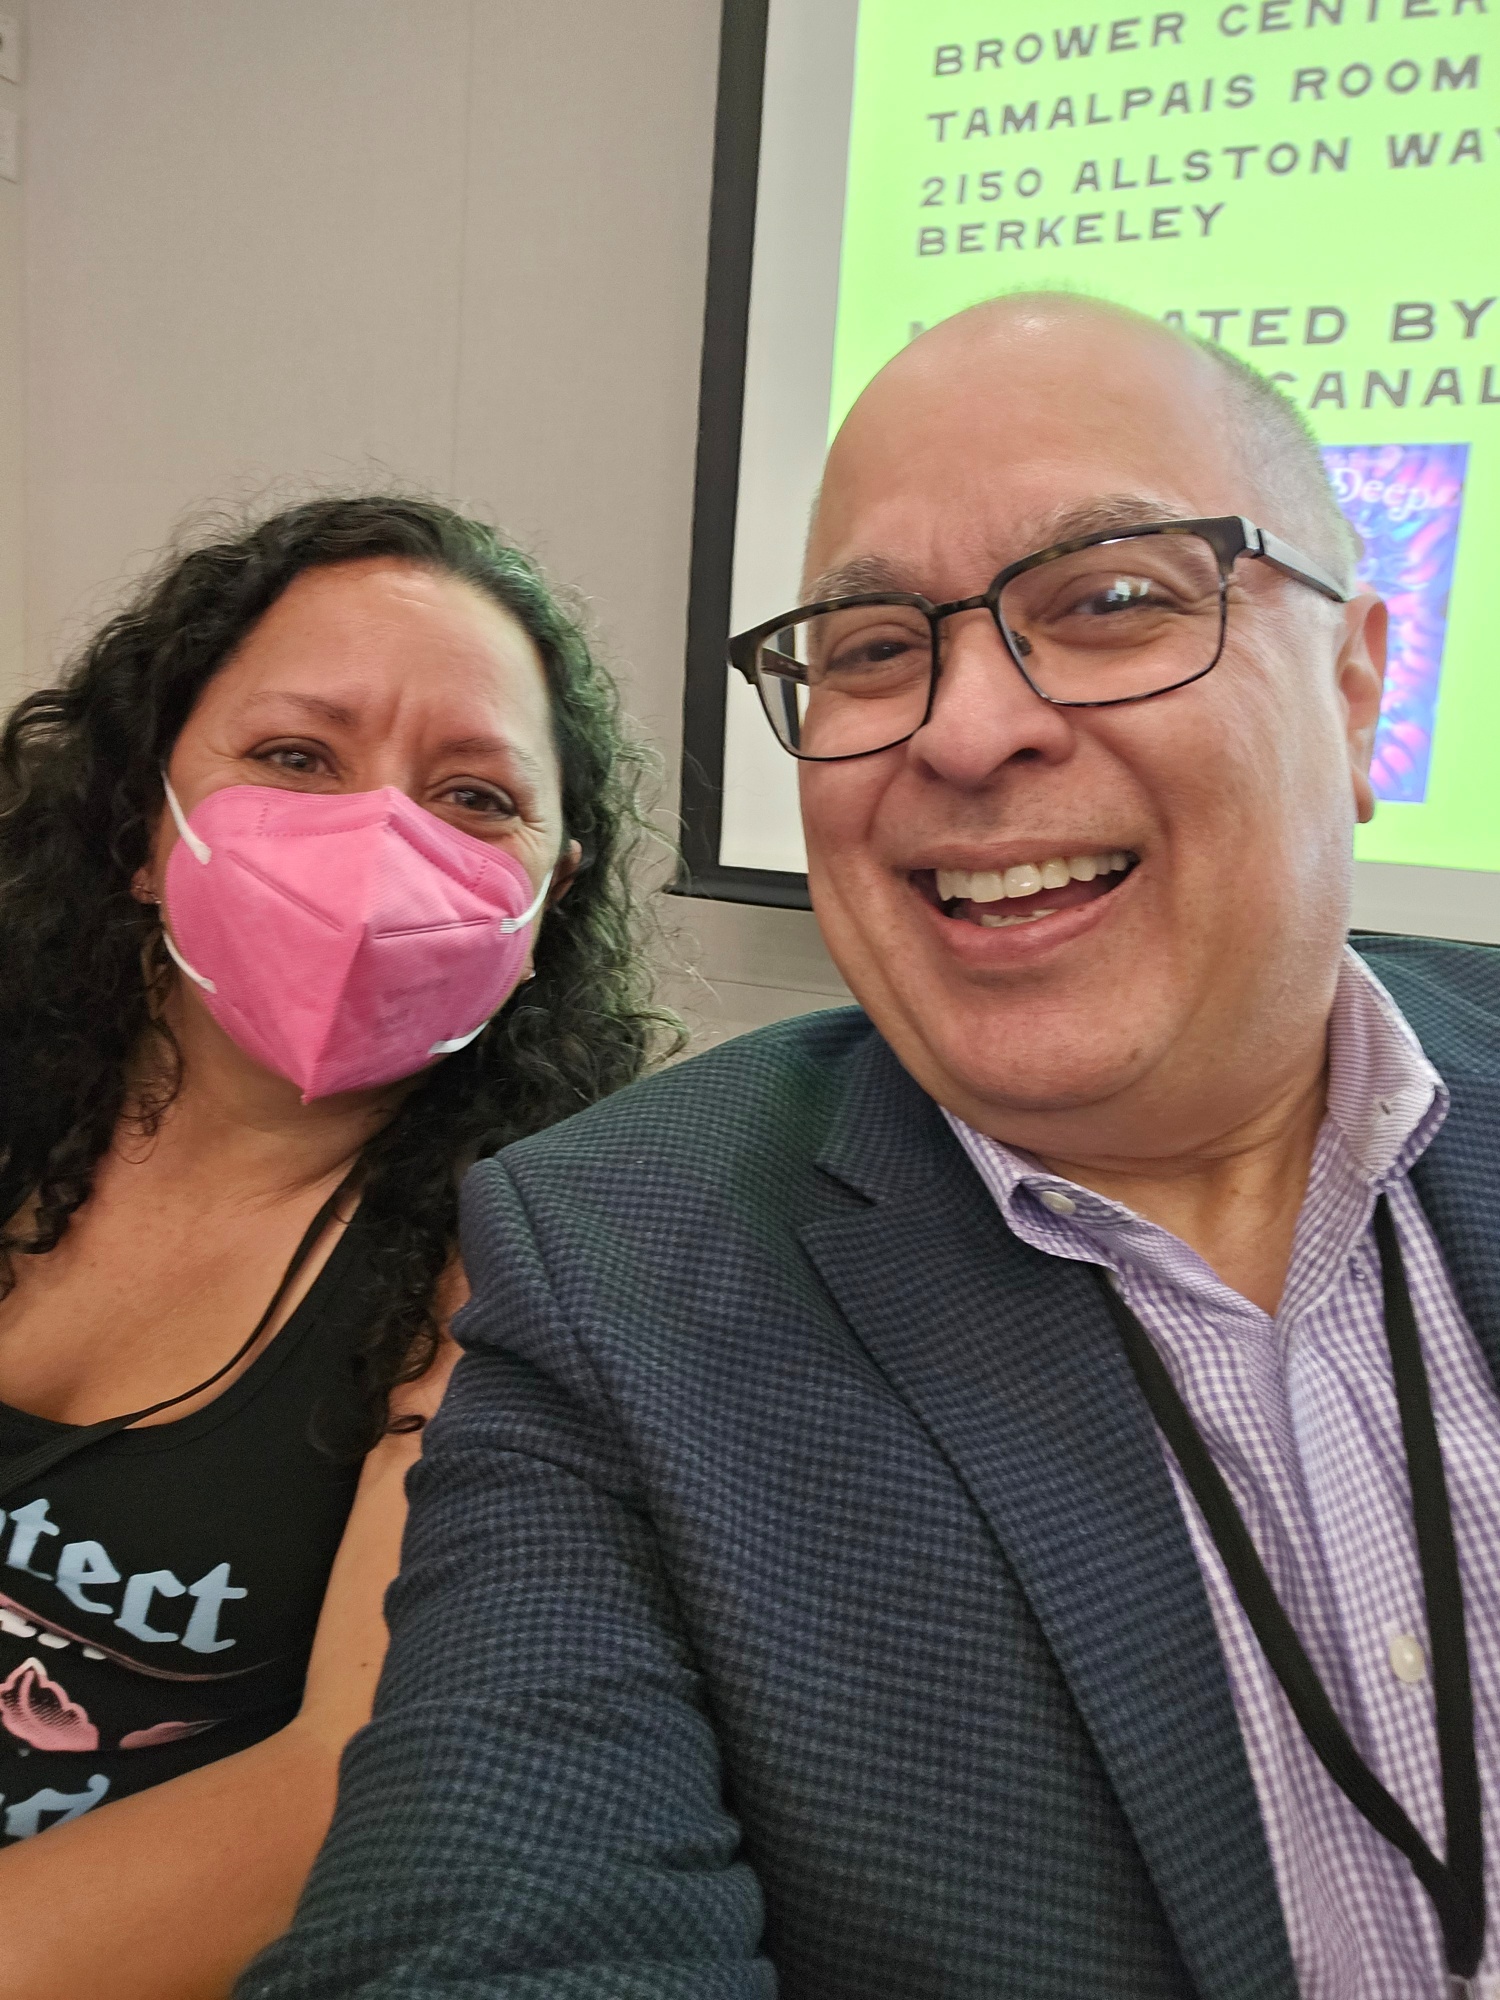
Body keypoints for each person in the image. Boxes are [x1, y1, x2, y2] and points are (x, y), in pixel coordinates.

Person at [243, 296, 1500, 1999]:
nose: (965, 730)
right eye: (871, 649)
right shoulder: (620, 1278)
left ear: (1357, 690)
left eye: (1110, 601)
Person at [0, 494, 673, 1999]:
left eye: (476, 797)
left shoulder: (518, 1262)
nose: (379, 844)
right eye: (297, 758)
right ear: (142, 825)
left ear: (548, 898)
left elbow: (336, 1797)